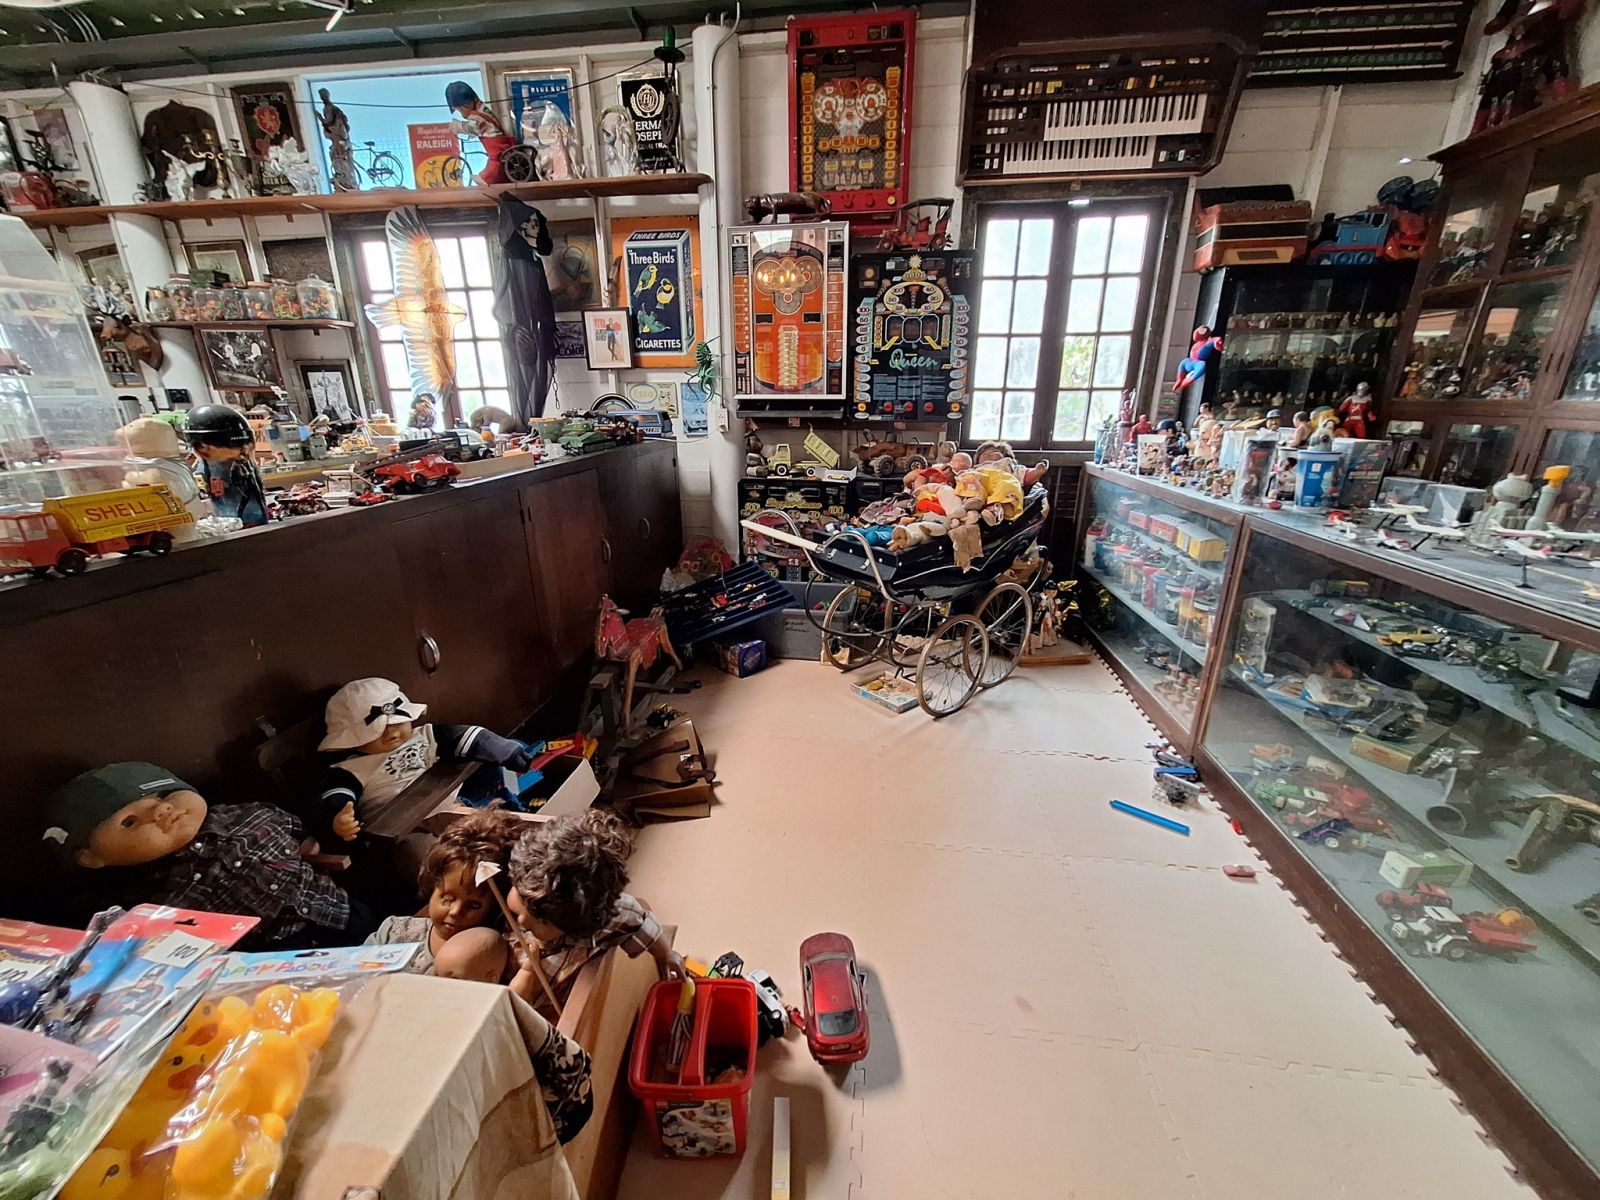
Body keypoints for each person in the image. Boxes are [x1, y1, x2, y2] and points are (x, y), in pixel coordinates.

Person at [40, 762, 372, 950]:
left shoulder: (249, 814)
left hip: (340, 911)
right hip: (281, 955)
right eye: (130, 822)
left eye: (162, 795)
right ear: (91, 858)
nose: (161, 811)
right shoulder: (147, 903)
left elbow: (303, 834)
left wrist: (327, 833)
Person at [313, 678, 535, 840]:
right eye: (378, 732)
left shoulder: (424, 736)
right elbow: (336, 796)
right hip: (403, 826)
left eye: (398, 723)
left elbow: (469, 736)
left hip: (449, 800)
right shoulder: (350, 769)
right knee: (422, 851)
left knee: (491, 816)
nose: (393, 734)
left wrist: (506, 750)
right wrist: (339, 818)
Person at [504, 811, 682, 1003]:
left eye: (541, 920)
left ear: (575, 925)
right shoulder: (512, 917)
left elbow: (639, 922)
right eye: (519, 893)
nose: (522, 920)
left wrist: (666, 955)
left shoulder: (601, 918)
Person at [364, 809, 519, 975]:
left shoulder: (495, 958)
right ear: (433, 886)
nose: (455, 911)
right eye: (447, 898)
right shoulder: (394, 935)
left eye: (474, 905)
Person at [445, 81, 516, 185]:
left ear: (464, 106)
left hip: (495, 141)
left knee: (496, 159)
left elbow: (474, 126)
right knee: (495, 158)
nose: (461, 113)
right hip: (496, 138)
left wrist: (459, 126)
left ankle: (487, 178)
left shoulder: (477, 116)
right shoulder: (481, 108)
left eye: (459, 110)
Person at [318, 87, 357, 192]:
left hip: (340, 138)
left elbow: (330, 121)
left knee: (342, 160)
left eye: (324, 95)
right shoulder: (329, 108)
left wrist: (320, 118)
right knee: (337, 158)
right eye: (322, 96)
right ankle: (343, 180)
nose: (323, 97)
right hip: (338, 138)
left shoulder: (329, 108)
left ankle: (346, 181)